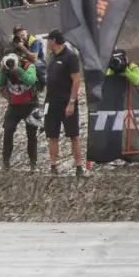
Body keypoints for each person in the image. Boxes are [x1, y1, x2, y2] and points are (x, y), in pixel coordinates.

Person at [43, 30, 86, 177]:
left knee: (74, 135)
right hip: (51, 102)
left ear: (54, 41)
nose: (47, 43)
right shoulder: (51, 57)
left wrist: (71, 102)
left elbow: (76, 80)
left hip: (66, 102)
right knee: (52, 135)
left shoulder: (71, 57)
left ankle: (79, 166)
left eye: (48, 40)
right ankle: (53, 166)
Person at [0, 52, 40, 172]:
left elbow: (31, 80)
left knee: (32, 134)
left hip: (31, 105)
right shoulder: (5, 70)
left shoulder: (29, 66)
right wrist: (2, 70)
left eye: (13, 63)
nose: (11, 65)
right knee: (7, 131)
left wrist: (17, 70)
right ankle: (5, 163)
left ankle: (33, 164)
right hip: (14, 106)